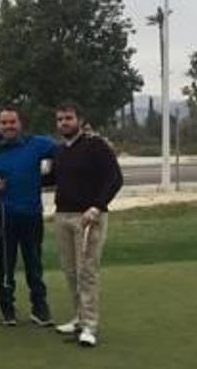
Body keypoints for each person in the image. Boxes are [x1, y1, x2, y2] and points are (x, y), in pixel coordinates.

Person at [0, 106, 59, 327]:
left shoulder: (36, 144)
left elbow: (61, 151)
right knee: (6, 266)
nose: (8, 126)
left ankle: (40, 308)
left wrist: (51, 174)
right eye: (4, 123)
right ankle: (7, 308)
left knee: (34, 264)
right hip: (5, 216)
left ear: (20, 123)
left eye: (12, 122)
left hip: (32, 215)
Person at [51, 102, 123, 348]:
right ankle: (79, 318)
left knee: (87, 273)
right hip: (62, 217)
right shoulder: (60, 151)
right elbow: (52, 179)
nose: (64, 123)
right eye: (60, 119)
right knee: (71, 272)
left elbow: (115, 179)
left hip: (89, 217)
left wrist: (97, 206)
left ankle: (90, 326)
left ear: (79, 120)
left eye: (68, 118)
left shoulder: (96, 146)